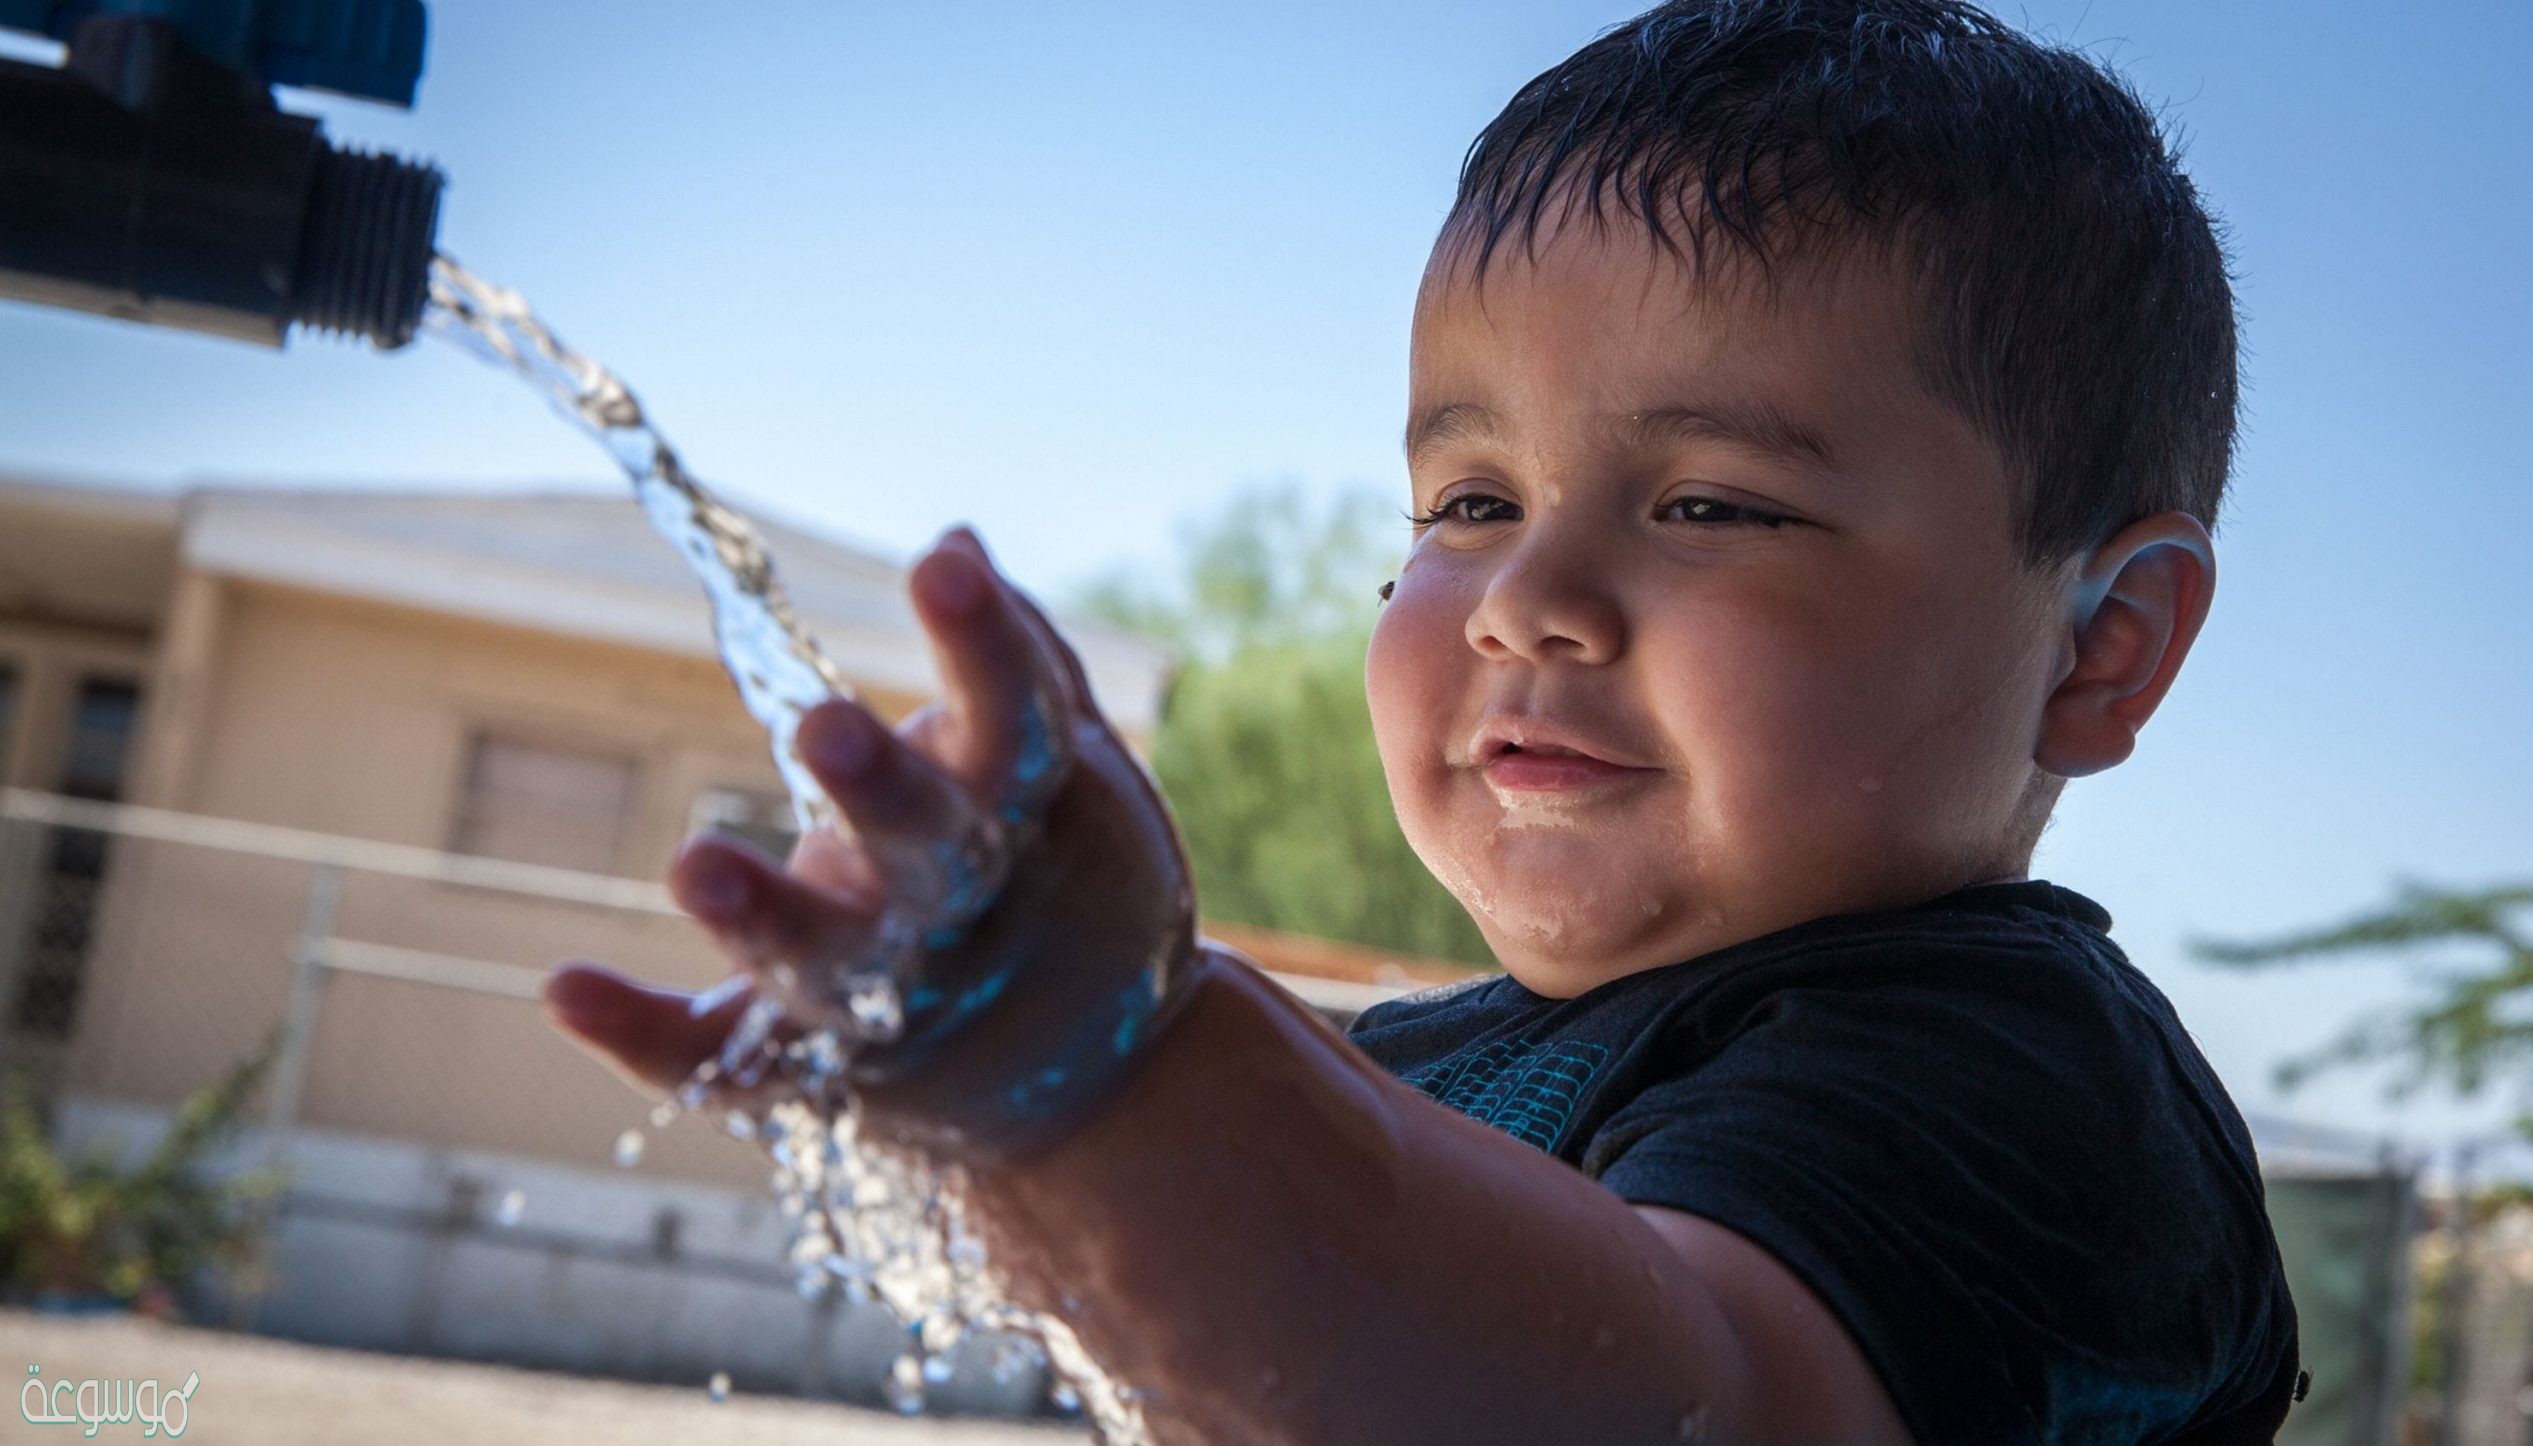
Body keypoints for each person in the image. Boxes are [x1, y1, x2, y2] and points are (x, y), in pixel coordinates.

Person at [541, 1, 2304, 1439]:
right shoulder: (1411, 1075)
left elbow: (1677, 1396)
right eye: (1468, 502)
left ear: (2103, 647)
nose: (1533, 592)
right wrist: (988, 1080)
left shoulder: (2026, 1087)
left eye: (1712, 503)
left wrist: (1121, 1074)